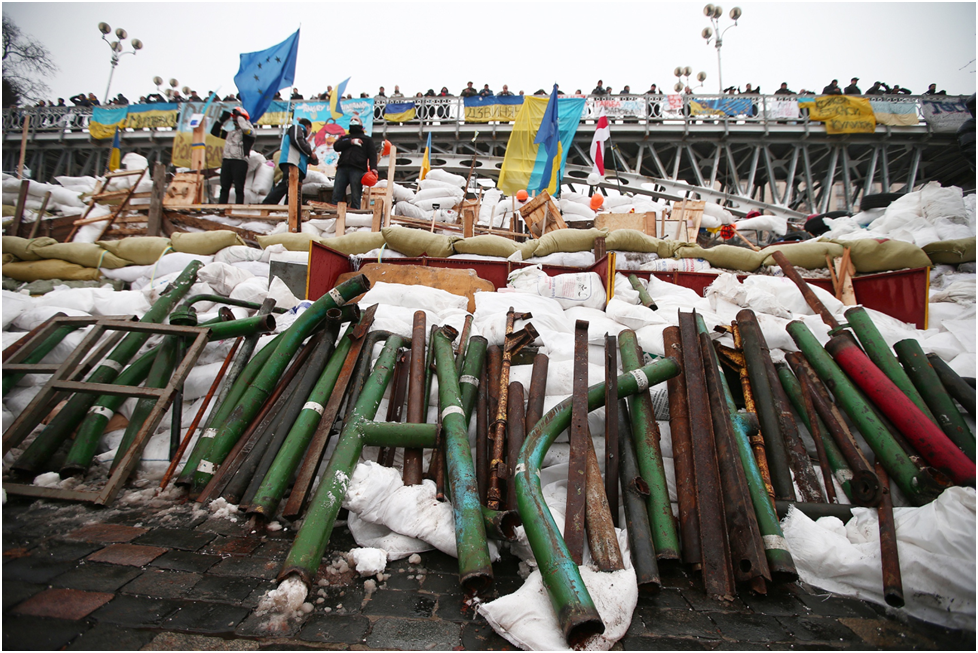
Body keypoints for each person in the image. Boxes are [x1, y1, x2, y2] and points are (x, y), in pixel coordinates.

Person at [262, 118, 318, 206]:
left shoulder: (304, 142)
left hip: (298, 166)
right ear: (307, 127)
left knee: (293, 189)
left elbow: (312, 160)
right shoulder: (297, 128)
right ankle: (267, 203)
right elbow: (296, 139)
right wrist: (310, 152)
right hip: (292, 163)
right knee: (286, 184)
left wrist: (312, 157)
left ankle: (289, 207)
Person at [332, 116, 377, 209]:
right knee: (337, 193)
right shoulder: (345, 138)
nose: (353, 121)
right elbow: (336, 146)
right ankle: (334, 214)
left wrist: (374, 168)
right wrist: (350, 142)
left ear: (361, 124)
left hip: (357, 169)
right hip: (342, 168)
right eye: (351, 120)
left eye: (356, 120)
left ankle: (354, 216)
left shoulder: (367, 140)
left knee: (355, 195)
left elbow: (372, 155)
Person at [212, 107, 255, 204]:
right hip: (227, 160)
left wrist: (240, 116)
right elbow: (214, 132)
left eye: (236, 118)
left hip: (240, 161)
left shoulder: (249, 133)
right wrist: (221, 120)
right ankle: (221, 209)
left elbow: (246, 129)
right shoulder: (230, 133)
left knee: (239, 188)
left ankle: (239, 209)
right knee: (224, 187)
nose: (235, 120)